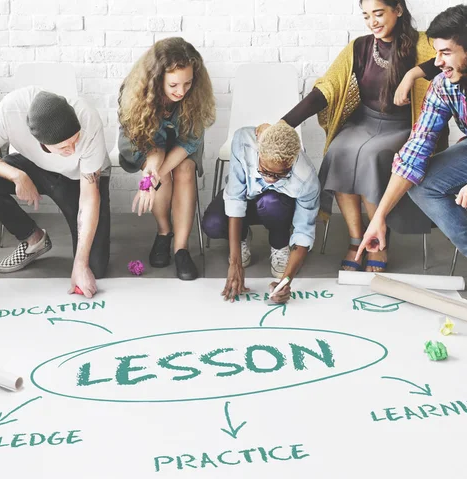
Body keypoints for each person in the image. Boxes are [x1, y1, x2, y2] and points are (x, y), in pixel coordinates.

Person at [257, 0, 447, 273]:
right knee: (339, 150)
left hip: (405, 126)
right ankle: (356, 239)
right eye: (367, 16)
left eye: (379, 13)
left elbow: (448, 60)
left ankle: (378, 241)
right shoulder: (359, 47)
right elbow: (326, 90)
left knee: (370, 155)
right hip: (364, 121)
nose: (373, 22)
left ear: (399, 9)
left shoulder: (425, 43)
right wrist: (284, 125)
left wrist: (413, 74)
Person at [358, 4, 467, 303]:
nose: (437, 62)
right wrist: (379, 217)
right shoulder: (446, 86)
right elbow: (416, 149)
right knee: (423, 184)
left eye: (445, 52)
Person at [0, 86, 111, 298]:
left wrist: (80, 264)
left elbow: (89, 198)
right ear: (41, 142)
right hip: (34, 166)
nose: (72, 149)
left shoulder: (88, 119)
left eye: (75, 140)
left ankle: (83, 261)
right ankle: (34, 238)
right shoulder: (10, 110)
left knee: (94, 267)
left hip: (79, 176)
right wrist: (17, 176)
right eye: (64, 147)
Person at [117, 37, 216, 281]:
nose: (181, 91)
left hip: (183, 143)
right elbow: (150, 145)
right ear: (157, 78)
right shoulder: (134, 93)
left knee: (184, 170)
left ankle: (181, 248)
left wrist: (154, 176)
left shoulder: (195, 95)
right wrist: (153, 170)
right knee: (159, 172)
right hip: (143, 142)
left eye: (188, 83)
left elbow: (190, 141)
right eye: (173, 84)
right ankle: (164, 232)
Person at [202, 121, 320, 304]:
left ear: (292, 162)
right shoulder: (243, 141)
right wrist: (235, 263)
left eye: (280, 175)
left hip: (277, 208)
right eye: (264, 170)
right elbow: (235, 198)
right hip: (246, 199)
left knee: (270, 202)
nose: (270, 179)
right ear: (258, 152)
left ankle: (280, 243)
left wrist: (286, 282)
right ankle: (242, 236)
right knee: (213, 224)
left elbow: (303, 232)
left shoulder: (306, 178)